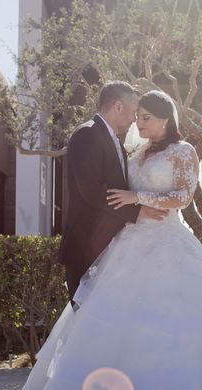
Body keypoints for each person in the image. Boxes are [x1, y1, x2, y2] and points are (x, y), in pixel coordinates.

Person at [24, 89, 202, 390]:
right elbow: (108, 192)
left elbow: (183, 196)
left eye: (146, 118)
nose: (139, 124)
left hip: (170, 241)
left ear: (166, 119)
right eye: (137, 117)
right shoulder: (135, 153)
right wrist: (135, 207)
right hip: (128, 243)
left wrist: (137, 197)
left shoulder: (184, 151)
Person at [57, 81, 168, 310]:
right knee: (87, 326)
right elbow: (91, 191)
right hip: (86, 248)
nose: (134, 120)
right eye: (133, 112)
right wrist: (139, 210)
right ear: (118, 106)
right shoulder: (87, 134)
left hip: (110, 250)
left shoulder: (116, 141)